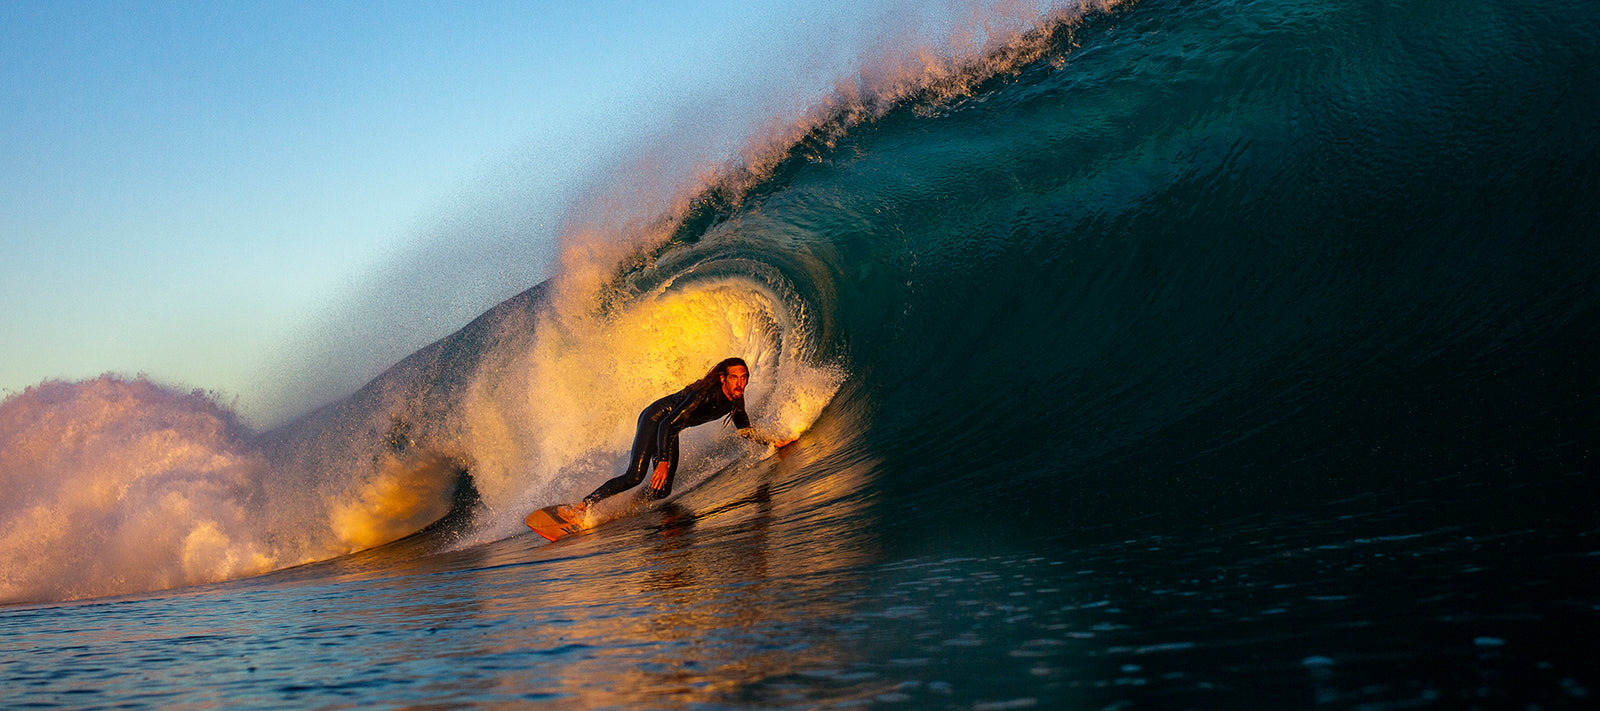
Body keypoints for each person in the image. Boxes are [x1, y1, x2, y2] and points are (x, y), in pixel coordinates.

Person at [567, 357, 794, 514]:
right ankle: (582, 506)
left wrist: (773, 442)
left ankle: (632, 503)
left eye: (744, 377)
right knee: (635, 475)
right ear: (723, 378)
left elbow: (745, 430)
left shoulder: (736, 400)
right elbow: (666, 424)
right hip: (656, 419)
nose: (741, 383)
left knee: (663, 491)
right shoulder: (702, 395)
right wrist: (663, 462)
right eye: (735, 378)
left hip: (670, 429)